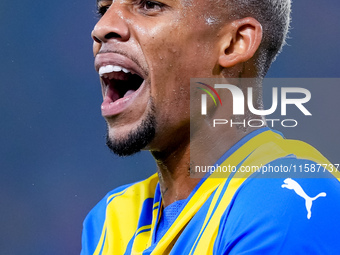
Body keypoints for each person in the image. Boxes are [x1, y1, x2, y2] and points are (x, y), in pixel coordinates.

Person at [81, 0, 340, 254]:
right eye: (104, 8)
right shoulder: (108, 221)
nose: (103, 27)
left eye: (149, 5)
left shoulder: (289, 197)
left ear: (234, 44)